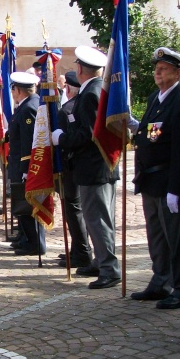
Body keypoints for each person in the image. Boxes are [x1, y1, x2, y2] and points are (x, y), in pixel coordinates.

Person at [131, 47, 180, 309]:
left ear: (178, 72)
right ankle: (161, 281)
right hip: (151, 181)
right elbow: (150, 134)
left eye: (164, 68)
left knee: (179, 238)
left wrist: (176, 188)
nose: (158, 72)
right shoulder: (155, 98)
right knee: (157, 236)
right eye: (156, 68)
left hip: (171, 181)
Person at [51, 47, 121, 289]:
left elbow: (89, 134)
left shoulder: (91, 93)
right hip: (95, 167)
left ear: (80, 69)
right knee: (95, 219)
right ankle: (101, 262)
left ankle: (109, 269)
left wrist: (62, 138)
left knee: (98, 220)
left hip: (95, 167)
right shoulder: (94, 89)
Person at [56, 70, 93, 269]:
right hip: (75, 165)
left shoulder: (68, 109)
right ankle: (78, 249)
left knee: (74, 210)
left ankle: (82, 251)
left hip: (71, 166)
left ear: (69, 88)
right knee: (74, 210)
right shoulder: (72, 106)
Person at [9, 71, 45, 256]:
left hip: (24, 166)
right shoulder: (25, 105)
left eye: (13, 89)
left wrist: (25, 169)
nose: (12, 92)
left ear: (18, 90)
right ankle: (25, 238)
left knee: (27, 206)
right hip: (17, 164)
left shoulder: (29, 108)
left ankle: (35, 243)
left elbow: (29, 143)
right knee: (21, 205)